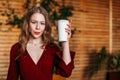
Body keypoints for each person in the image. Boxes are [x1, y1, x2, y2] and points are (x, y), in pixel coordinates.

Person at [7, 6, 75, 80]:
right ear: (27, 24)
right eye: (34, 22)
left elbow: (66, 72)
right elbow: (11, 77)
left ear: (46, 26)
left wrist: (65, 42)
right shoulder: (16, 48)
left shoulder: (52, 48)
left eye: (42, 23)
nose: (38, 27)